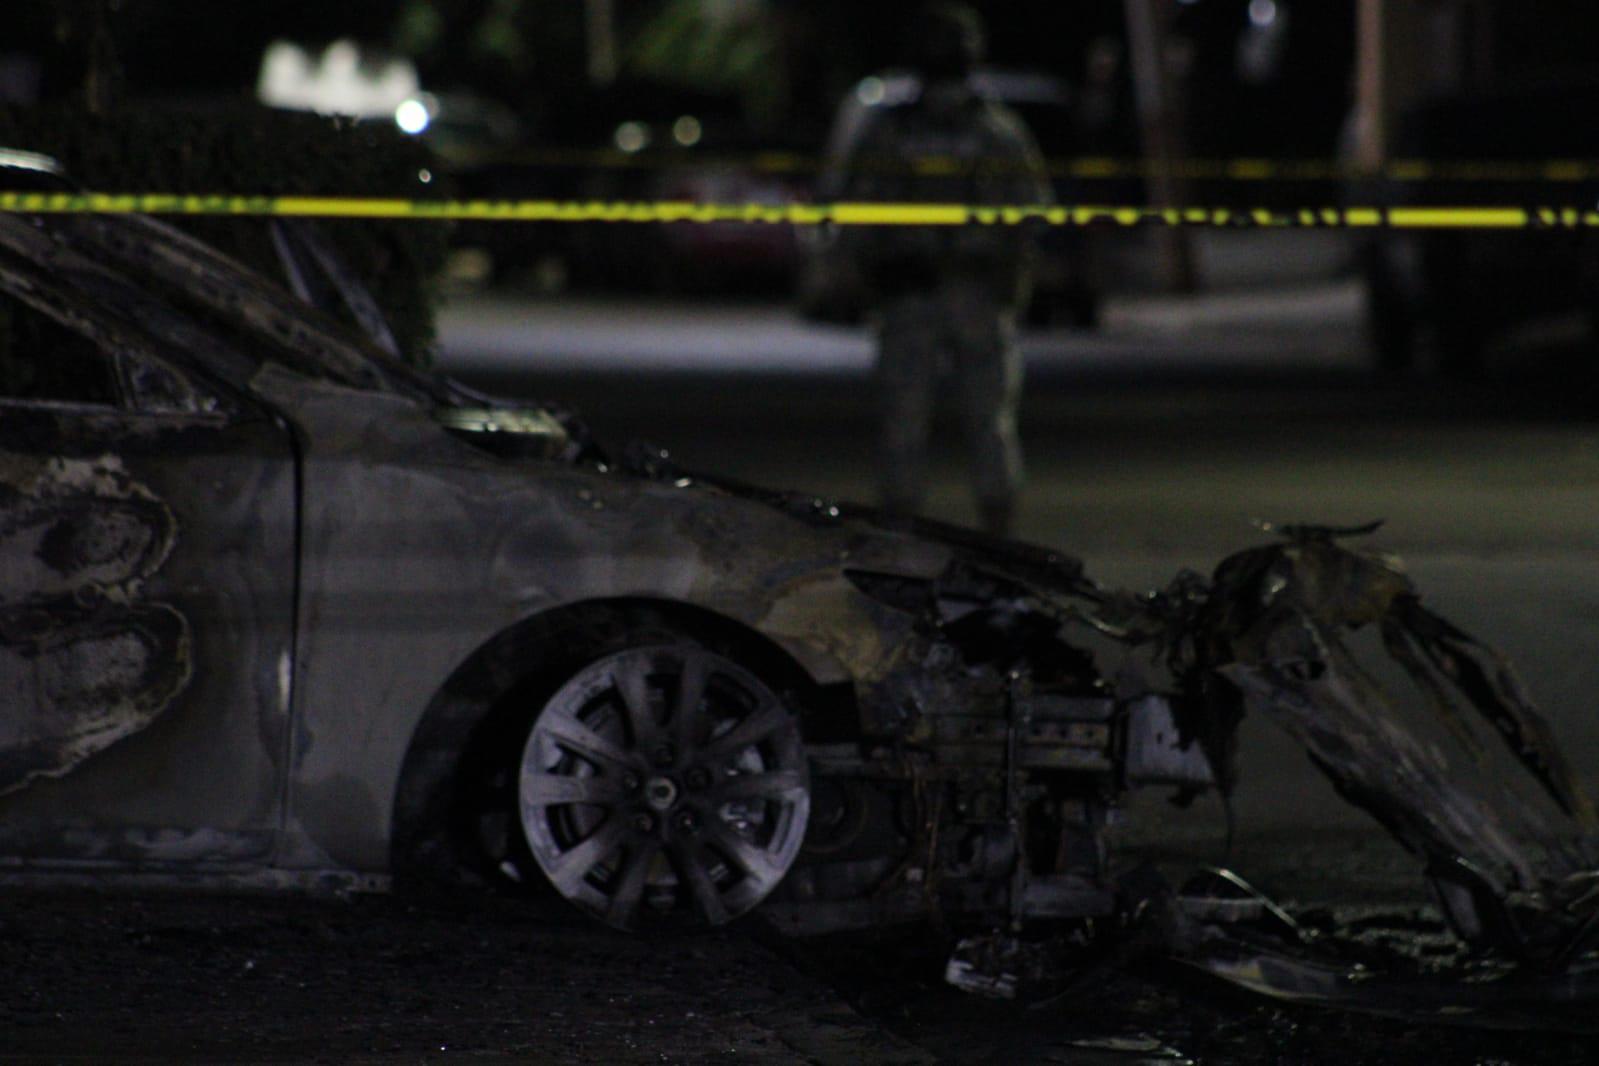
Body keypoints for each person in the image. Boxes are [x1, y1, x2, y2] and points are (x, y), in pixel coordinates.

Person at [821, 2, 1051, 537]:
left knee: (909, 425)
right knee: (986, 424)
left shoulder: (894, 131)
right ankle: (996, 543)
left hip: (922, 292)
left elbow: (855, 211)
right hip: (964, 292)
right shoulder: (997, 130)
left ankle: (907, 542)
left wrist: (857, 272)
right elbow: (1034, 215)